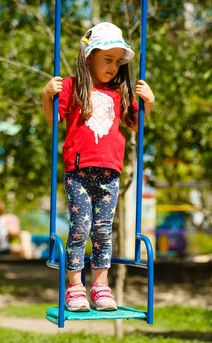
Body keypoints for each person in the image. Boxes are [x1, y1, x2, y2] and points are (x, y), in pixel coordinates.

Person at [42, 22, 155, 312]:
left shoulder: (119, 91)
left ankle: (101, 286)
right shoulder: (72, 86)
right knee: (81, 227)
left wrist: (148, 104)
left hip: (110, 171)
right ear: (89, 56)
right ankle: (75, 287)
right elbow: (53, 121)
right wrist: (46, 97)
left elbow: (134, 126)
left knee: (103, 230)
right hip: (78, 171)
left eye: (118, 61)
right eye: (108, 59)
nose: (114, 67)